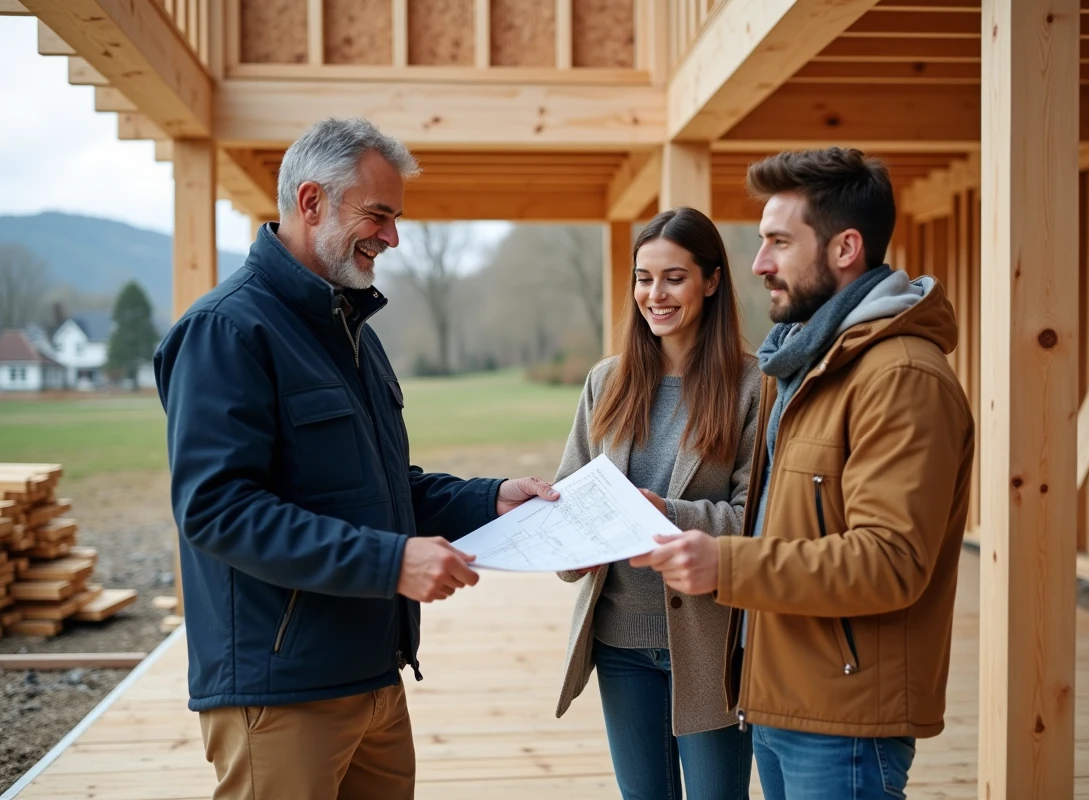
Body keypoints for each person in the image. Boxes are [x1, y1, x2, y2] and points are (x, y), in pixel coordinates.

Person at [154, 116, 558, 800]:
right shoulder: (226, 331)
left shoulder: (352, 332)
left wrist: (490, 498)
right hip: (281, 692)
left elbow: (384, 490)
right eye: (378, 214)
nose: (393, 236)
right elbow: (218, 510)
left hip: (374, 675)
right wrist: (391, 562)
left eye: (395, 218)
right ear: (311, 202)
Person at [631, 148, 975, 800]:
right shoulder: (808, 367)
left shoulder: (898, 376)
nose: (759, 264)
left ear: (845, 247)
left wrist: (725, 566)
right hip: (783, 697)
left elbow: (891, 561)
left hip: (846, 715)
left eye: (779, 243)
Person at [555, 207, 760, 800]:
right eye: (644, 278)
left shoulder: (753, 388)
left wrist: (665, 515)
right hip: (619, 643)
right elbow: (573, 493)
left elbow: (757, 516)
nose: (655, 294)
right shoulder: (606, 382)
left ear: (712, 280)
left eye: (674, 277)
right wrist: (565, 535)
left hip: (710, 640)